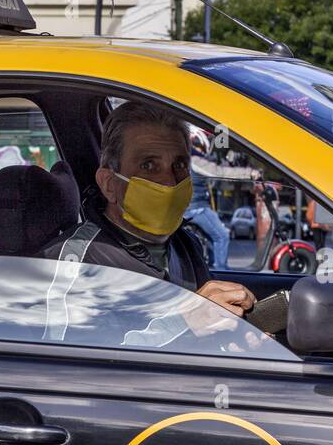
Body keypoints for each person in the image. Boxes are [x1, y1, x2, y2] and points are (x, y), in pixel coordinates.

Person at [40, 100, 260, 347]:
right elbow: (76, 369)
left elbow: (203, 335)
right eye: (149, 165)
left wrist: (234, 339)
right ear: (109, 184)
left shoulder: (186, 245)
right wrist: (183, 323)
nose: (169, 181)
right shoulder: (76, 260)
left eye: (179, 165)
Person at [185, 129, 255, 269]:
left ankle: (211, 266)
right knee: (222, 236)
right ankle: (221, 270)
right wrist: (250, 173)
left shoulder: (186, 158)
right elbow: (220, 173)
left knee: (212, 236)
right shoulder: (195, 159)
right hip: (196, 208)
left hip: (189, 207)